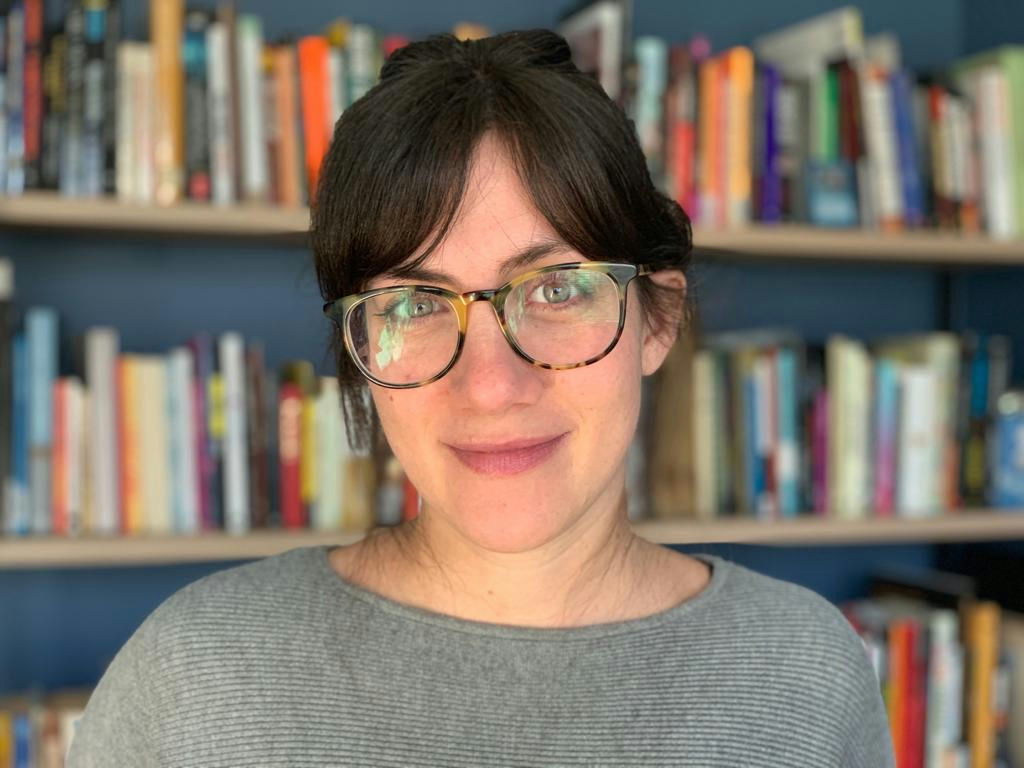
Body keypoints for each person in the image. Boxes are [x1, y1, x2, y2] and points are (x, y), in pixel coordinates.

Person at [68, 29, 895, 767]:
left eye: (558, 290)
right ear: (360, 356)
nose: (493, 387)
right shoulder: (192, 681)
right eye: (417, 304)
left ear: (657, 319)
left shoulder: (804, 674)